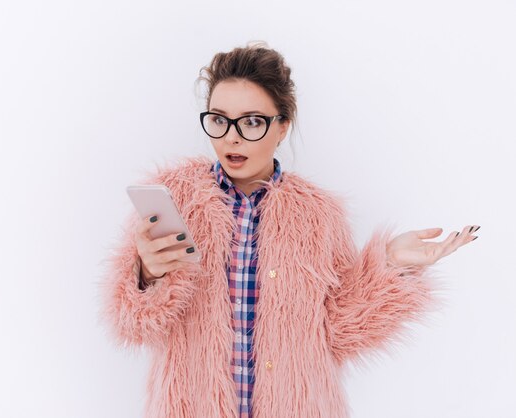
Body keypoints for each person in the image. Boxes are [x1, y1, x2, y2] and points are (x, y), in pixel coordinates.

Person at [98, 41, 480, 418]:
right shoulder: (174, 198)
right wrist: (146, 275)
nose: (231, 137)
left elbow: (339, 330)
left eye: (251, 122)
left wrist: (392, 265)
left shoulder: (319, 215)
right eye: (219, 119)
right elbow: (130, 324)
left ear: (282, 126)